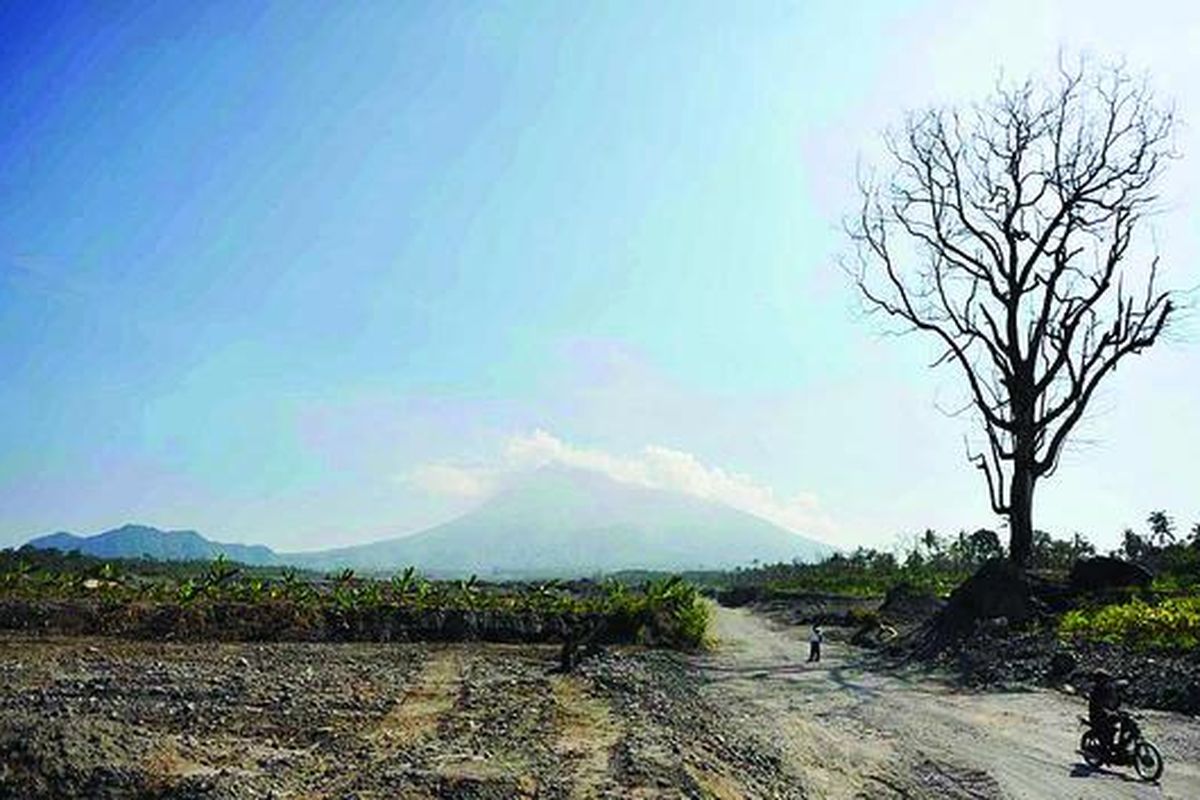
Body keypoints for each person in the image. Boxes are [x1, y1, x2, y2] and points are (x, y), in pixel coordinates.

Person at [1088, 669, 1127, 753]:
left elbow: (1116, 703)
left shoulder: (1110, 690)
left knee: (1126, 722)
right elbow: (1099, 705)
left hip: (1110, 714)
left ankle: (1120, 745)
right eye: (1104, 679)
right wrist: (1108, 711)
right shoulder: (1096, 691)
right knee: (1109, 729)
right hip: (1098, 716)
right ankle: (1105, 748)